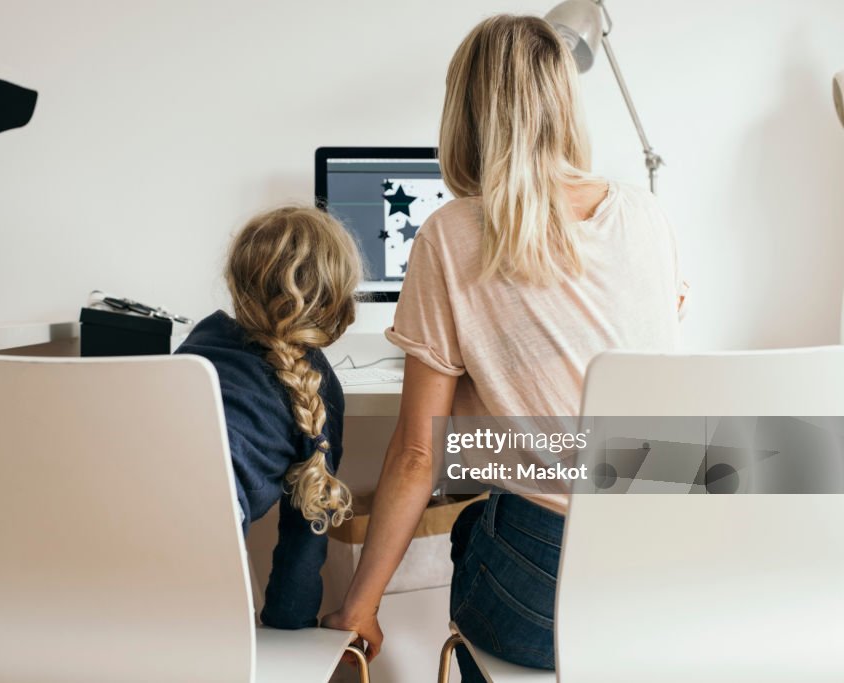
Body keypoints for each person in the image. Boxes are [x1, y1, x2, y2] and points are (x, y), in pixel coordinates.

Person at [323, 14, 687, 679]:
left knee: (473, 520)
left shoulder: (454, 232)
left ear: (466, 112)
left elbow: (413, 454)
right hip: (661, 573)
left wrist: (360, 604)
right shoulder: (647, 215)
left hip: (549, 584)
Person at [176, 205, 362, 629]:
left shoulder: (200, 343)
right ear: (334, 298)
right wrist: (288, 626)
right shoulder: (316, 388)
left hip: (101, 554)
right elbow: (305, 535)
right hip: (199, 580)